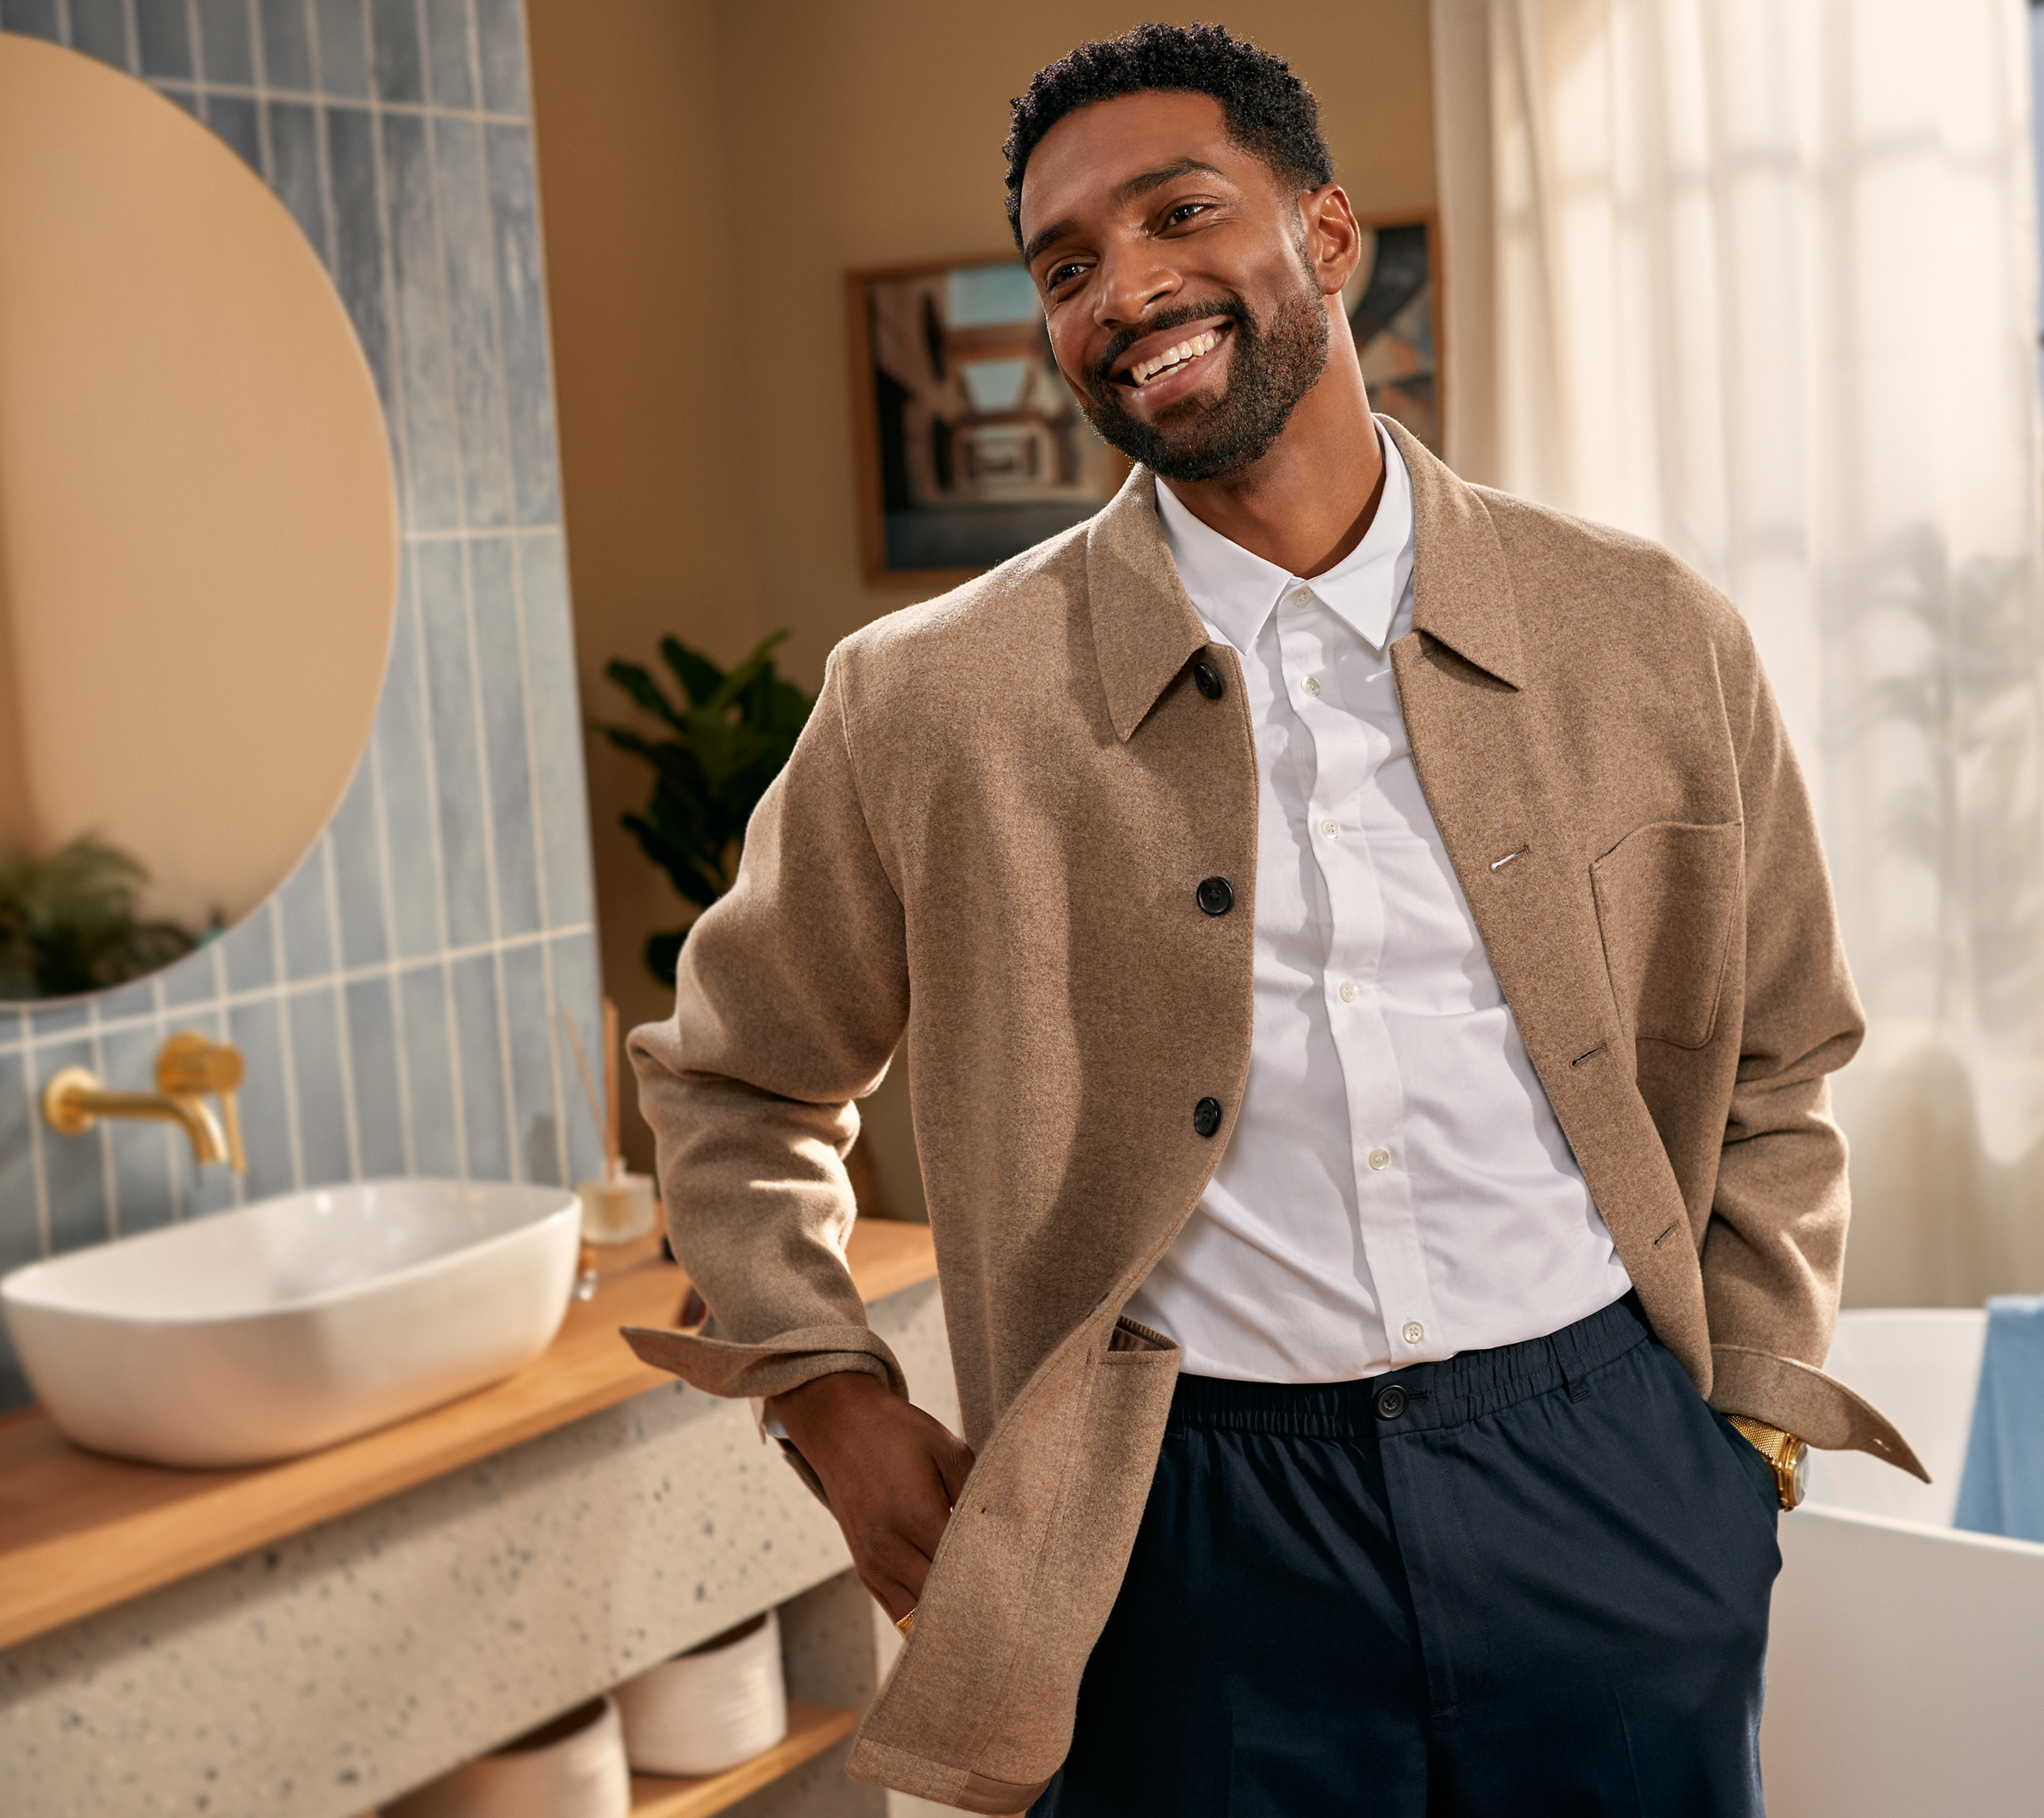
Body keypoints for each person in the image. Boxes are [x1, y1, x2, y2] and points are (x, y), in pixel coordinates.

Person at [624, 23, 1920, 1816]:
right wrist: (822, 1396)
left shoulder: (1645, 632)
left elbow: (1780, 1051)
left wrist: (1743, 1426)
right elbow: (733, 1083)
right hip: (1178, 1532)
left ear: (1324, 240)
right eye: (1065, 266)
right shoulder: (924, 701)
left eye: (1179, 213)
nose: (1125, 288)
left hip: (1605, 1471)